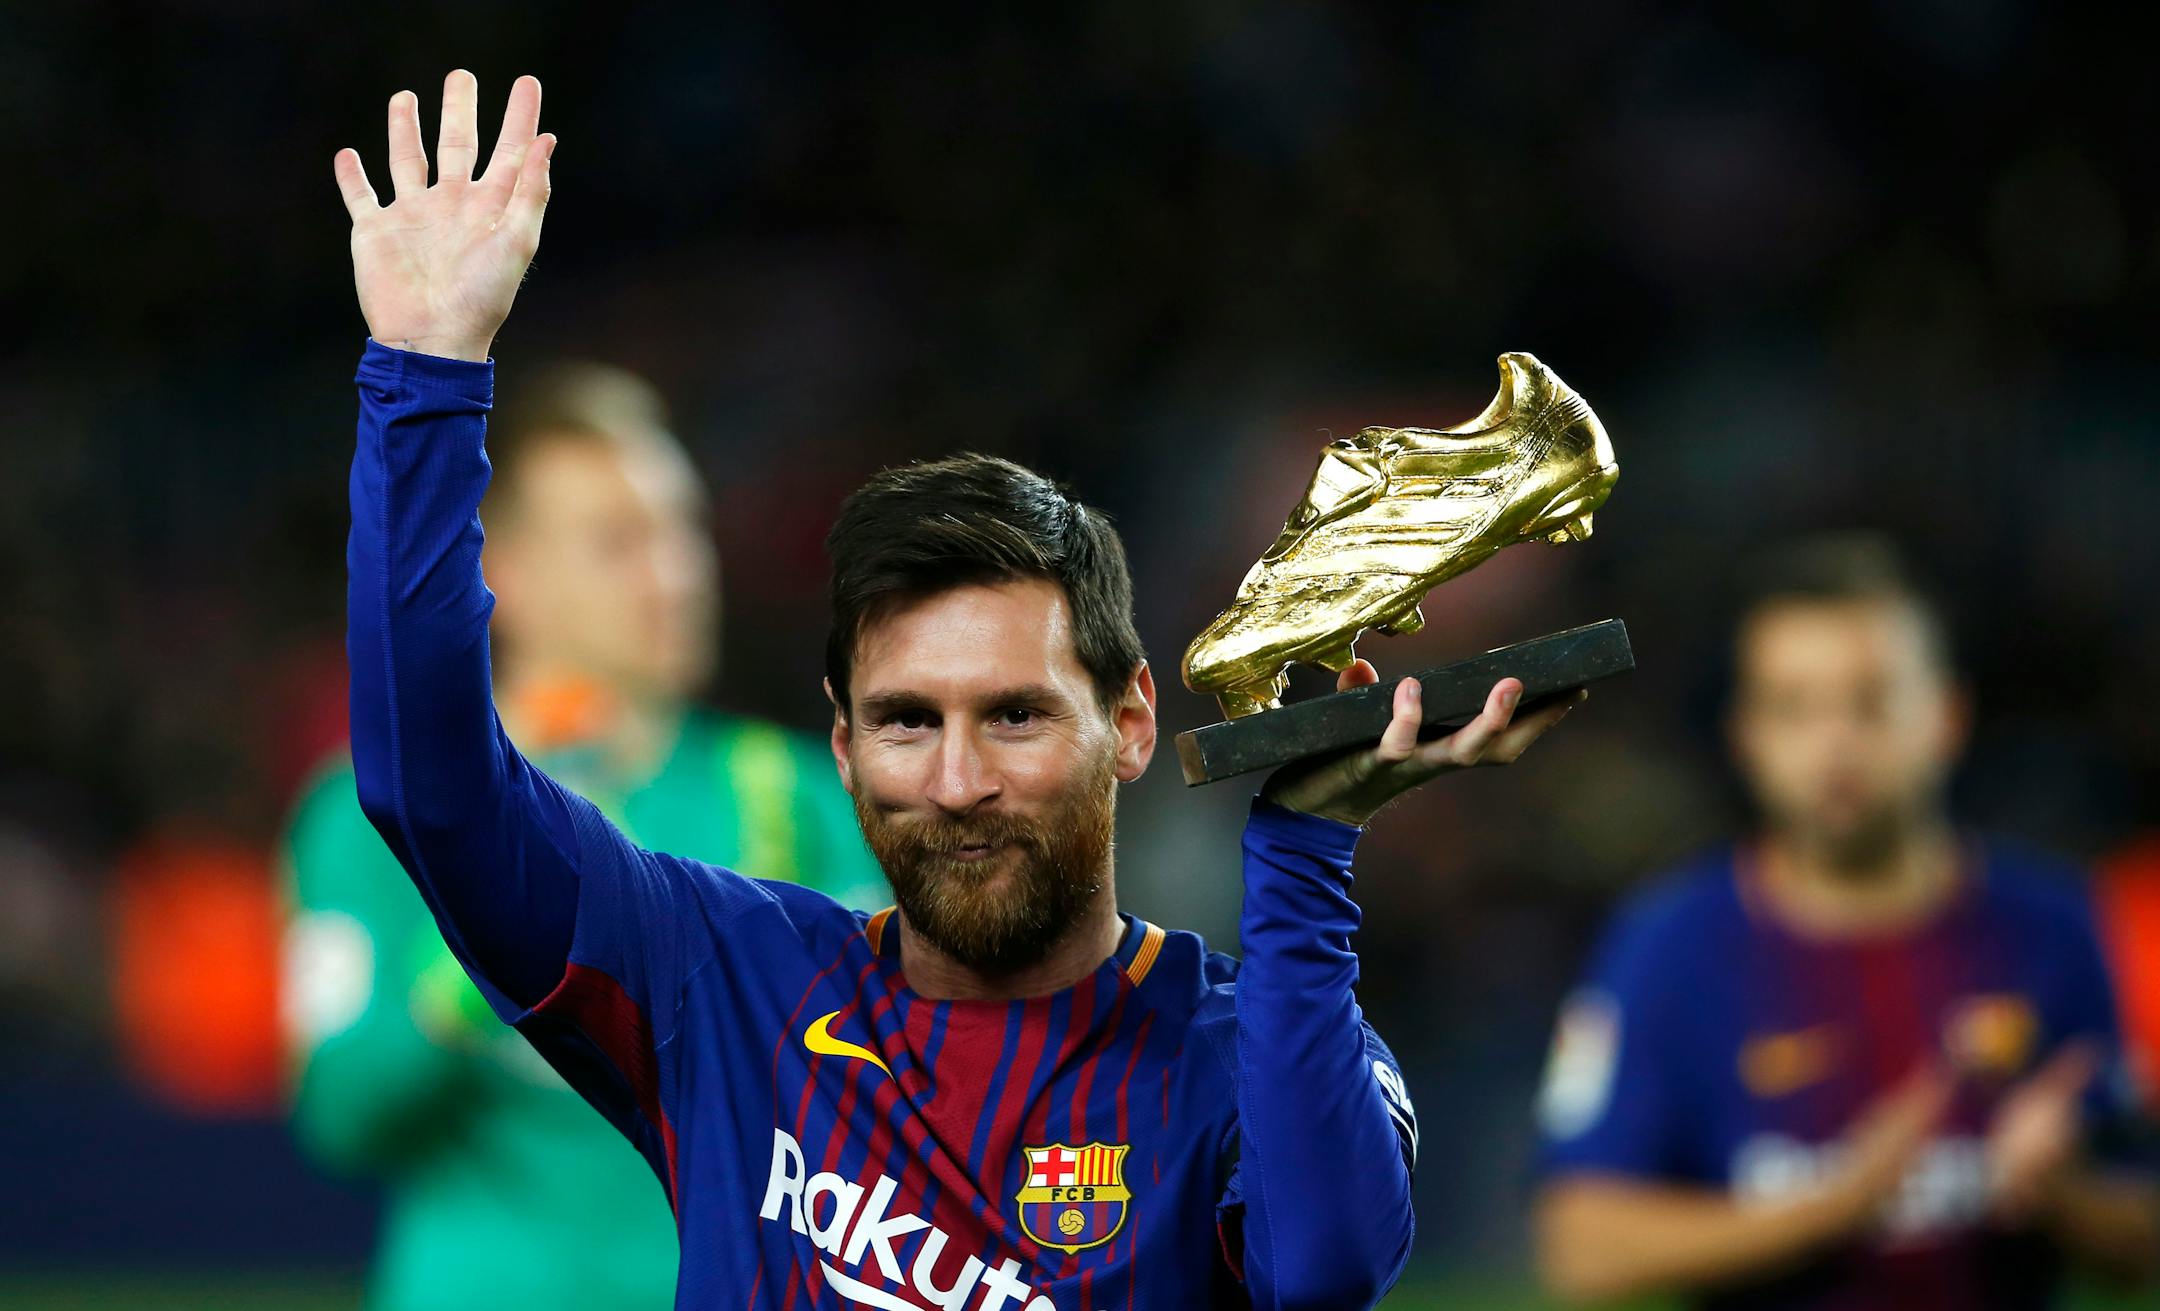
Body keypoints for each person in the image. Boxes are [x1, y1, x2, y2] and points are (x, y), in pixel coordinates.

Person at [330, 71, 1581, 1309]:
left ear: (1130, 721)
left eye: (1016, 715)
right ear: (842, 743)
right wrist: (426, 380)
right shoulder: (720, 981)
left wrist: (1304, 857)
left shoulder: (1236, 1044)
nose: (960, 780)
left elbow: (1323, 1275)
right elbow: (430, 788)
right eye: (907, 721)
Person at [284, 351, 885, 1310]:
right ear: (504, 572)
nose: (678, 574)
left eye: (684, 531)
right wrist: (481, 941)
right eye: (620, 541)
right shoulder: (374, 809)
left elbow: (899, 1087)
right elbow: (342, 1113)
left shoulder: (798, 794)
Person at [1532, 536, 2159, 1308]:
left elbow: (2140, 1239)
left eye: (1872, 702)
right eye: (1794, 707)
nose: (1835, 745)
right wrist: (1838, 1204)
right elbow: (1579, 1243)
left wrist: (2061, 1191)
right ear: (1747, 736)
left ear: (1947, 716)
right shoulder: (1671, 942)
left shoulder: (2054, 924)